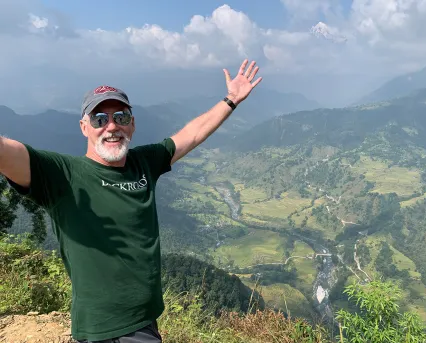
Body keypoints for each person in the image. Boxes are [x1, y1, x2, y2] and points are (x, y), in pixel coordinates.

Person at [0, 59, 262, 342]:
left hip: (142, 325)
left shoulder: (144, 163)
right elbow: (6, 152)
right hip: (94, 328)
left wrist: (231, 100)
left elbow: (192, 134)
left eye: (120, 117)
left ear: (132, 124)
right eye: (99, 119)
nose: (111, 126)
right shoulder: (61, 174)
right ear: (84, 127)